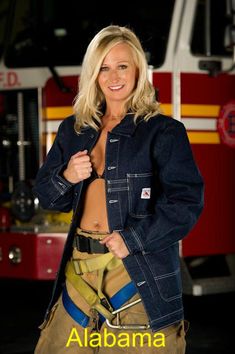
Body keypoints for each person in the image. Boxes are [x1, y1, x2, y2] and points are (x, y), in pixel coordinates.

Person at [33, 25, 204, 354]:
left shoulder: (163, 132)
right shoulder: (75, 129)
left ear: (138, 70)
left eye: (122, 66)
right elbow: (47, 196)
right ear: (94, 74)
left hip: (136, 272)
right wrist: (66, 175)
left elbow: (186, 204)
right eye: (104, 67)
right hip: (79, 270)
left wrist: (134, 238)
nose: (113, 76)